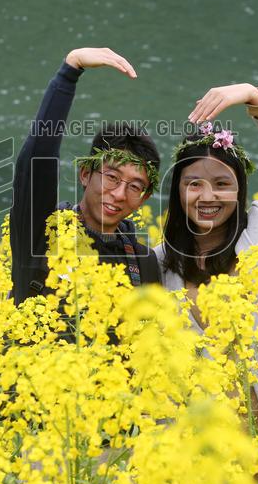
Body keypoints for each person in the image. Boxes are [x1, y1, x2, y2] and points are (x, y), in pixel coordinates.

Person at [153, 82, 258, 425]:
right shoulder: (158, 263)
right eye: (194, 183)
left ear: (240, 189)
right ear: (178, 192)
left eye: (223, 184)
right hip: (205, 461)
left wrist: (256, 98)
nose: (208, 196)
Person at [10, 47, 162, 311]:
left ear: (145, 198)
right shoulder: (42, 231)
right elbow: (36, 161)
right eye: (112, 177)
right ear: (85, 174)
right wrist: (69, 72)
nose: (119, 194)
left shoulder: (144, 263)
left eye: (135, 186)